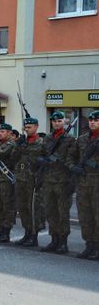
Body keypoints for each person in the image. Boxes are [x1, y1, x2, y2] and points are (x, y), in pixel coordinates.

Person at [38, 111, 75, 254]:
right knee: (50, 211)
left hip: (62, 181)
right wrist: (41, 159)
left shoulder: (70, 139)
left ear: (64, 122)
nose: (57, 123)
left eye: (60, 121)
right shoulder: (47, 138)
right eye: (54, 121)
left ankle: (63, 242)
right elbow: (40, 154)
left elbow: (71, 158)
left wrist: (55, 160)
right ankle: (54, 240)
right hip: (48, 181)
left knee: (62, 213)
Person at [67, 110, 99, 260]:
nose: (92, 122)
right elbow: (70, 157)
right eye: (91, 120)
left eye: (96, 120)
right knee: (85, 216)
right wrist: (73, 167)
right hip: (83, 184)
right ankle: (89, 245)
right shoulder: (81, 139)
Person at [12, 117, 45, 247]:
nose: (27, 129)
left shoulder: (41, 142)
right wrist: (18, 145)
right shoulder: (23, 143)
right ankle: (27, 232)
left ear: (36, 127)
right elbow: (13, 158)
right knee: (23, 208)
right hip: (21, 179)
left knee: (34, 208)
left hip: (33, 180)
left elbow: (45, 162)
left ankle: (34, 235)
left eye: (29, 127)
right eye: (25, 128)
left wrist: (40, 178)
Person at [0, 123, 17, 243]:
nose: (0, 134)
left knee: (7, 207)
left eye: (3, 132)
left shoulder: (11, 145)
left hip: (6, 180)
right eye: (0, 131)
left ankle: (6, 231)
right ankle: (0, 229)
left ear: (10, 133)